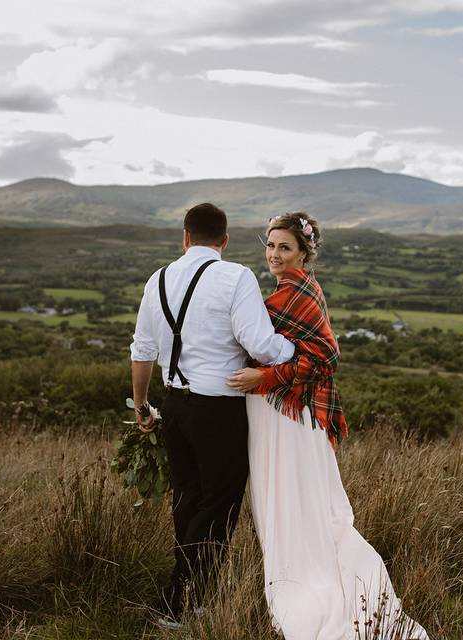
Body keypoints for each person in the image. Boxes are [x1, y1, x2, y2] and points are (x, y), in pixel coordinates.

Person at [227, 212, 430, 640]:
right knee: (283, 500)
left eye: (285, 247)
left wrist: (262, 378)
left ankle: (306, 587)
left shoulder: (299, 292)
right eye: (270, 245)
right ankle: (295, 572)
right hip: (276, 412)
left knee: (291, 499)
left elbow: (325, 357)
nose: (275, 255)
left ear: (303, 252)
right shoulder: (289, 291)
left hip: (287, 414)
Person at [129, 202, 296, 629]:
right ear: (224, 241)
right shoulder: (235, 276)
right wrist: (293, 351)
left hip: (174, 406)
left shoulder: (158, 279)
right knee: (220, 505)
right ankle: (178, 601)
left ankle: (192, 598)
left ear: (185, 238)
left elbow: (142, 349)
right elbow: (261, 345)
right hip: (219, 408)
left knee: (187, 499)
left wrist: (143, 404)